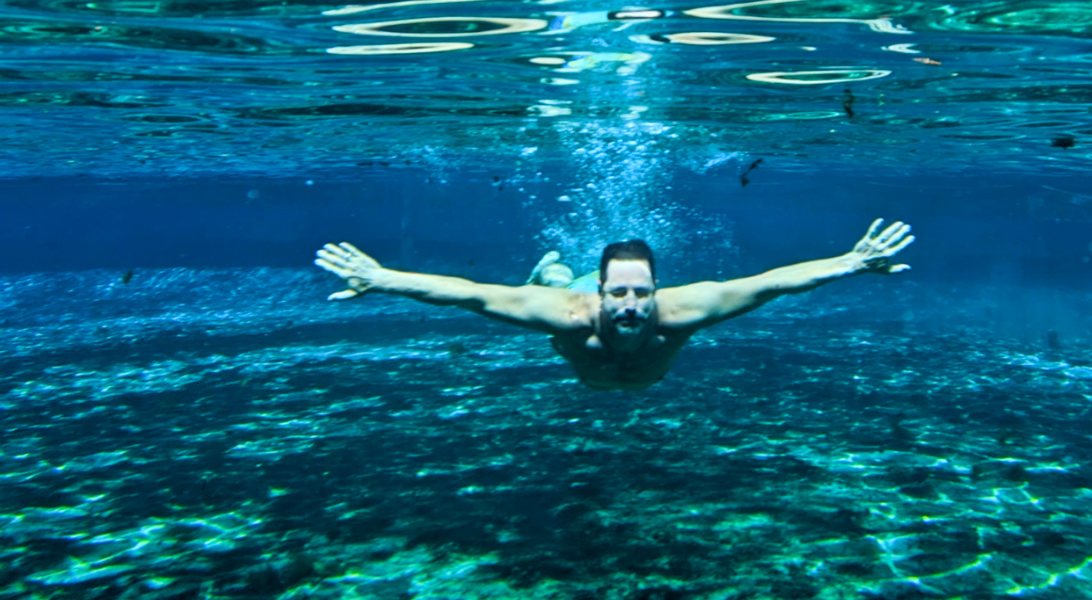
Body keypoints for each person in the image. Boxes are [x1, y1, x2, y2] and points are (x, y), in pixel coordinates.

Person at [314, 219, 913, 392]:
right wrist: (383, 279)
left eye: (641, 293)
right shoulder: (566, 315)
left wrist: (850, 262)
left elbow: (771, 283)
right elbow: (470, 294)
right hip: (570, 318)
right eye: (618, 292)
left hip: (620, 368)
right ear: (600, 293)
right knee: (551, 286)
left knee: (556, 284)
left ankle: (552, 271)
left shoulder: (684, 311)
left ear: (657, 290)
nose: (630, 305)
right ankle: (551, 272)